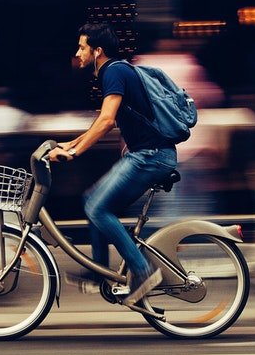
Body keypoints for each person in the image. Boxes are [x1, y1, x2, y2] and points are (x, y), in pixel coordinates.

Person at [49, 24, 177, 306]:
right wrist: (70, 144)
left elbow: (106, 120)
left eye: (82, 47)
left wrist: (75, 153)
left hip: (150, 155)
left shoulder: (114, 71)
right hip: (146, 154)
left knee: (97, 207)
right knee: (91, 199)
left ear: (97, 51)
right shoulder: (115, 72)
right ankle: (100, 273)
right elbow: (103, 124)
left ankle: (143, 271)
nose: (77, 52)